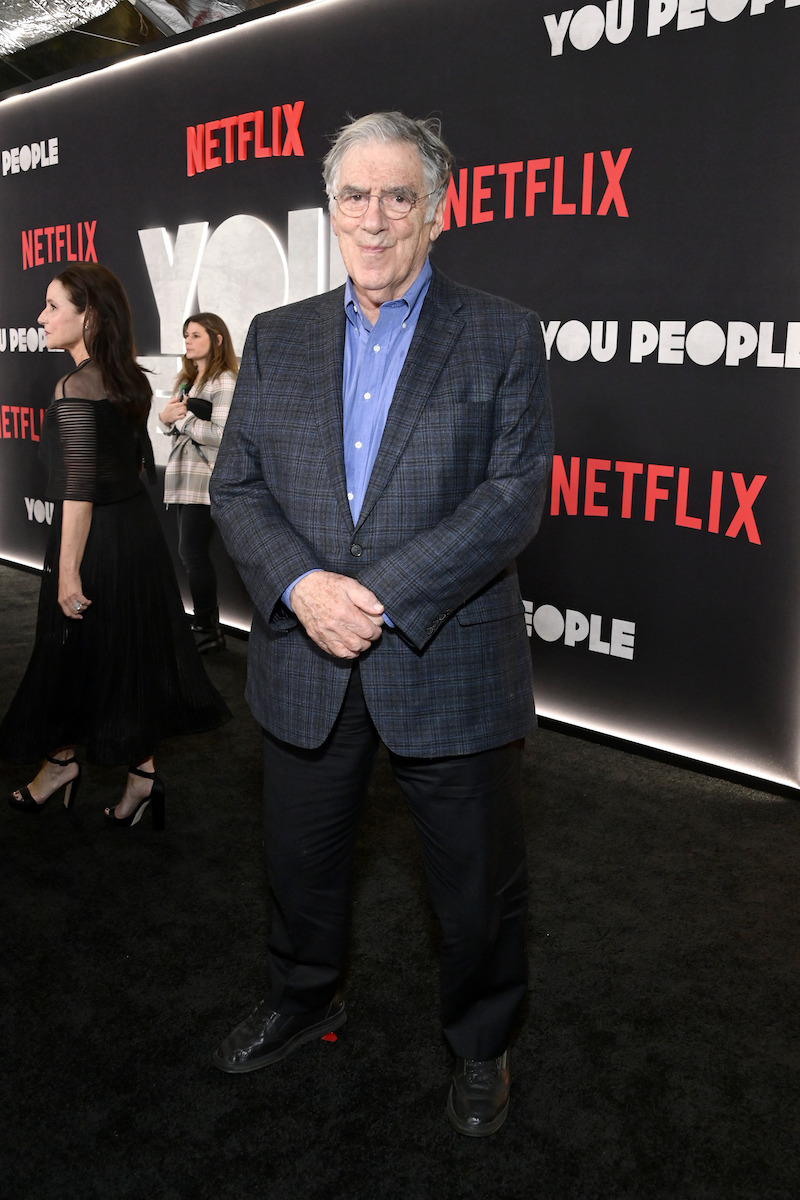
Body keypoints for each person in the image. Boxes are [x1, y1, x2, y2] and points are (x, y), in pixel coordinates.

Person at [209, 111, 553, 1136]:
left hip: (447, 660)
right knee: (299, 862)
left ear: (436, 212)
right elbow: (237, 487)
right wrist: (304, 588)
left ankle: (482, 1044)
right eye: (353, 195)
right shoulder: (276, 336)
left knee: (473, 884)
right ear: (329, 209)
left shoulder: (500, 333)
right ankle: (304, 995)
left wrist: (381, 593)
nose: (373, 216)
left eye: (397, 195)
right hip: (301, 654)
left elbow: (510, 497)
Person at [0, 263, 230, 828]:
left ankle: (60, 765)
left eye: (53, 306)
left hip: (96, 540)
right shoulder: (131, 378)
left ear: (90, 316)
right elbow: (127, 467)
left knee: (69, 654)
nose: (41, 316)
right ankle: (139, 776)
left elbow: (77, 492)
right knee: (124, 656)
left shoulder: (74, 385)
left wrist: (69, 571)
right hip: (137, 537)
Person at [158, 312, 238, 654]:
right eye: (185, 335)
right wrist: (164, 421)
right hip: (183, 479)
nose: (188, 341)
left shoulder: (224, 381)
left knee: (192, 552)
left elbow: (223, 435)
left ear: (217, 339)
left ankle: (208, 628)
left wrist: (183, 422)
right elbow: (169, 426)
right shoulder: (186, 381)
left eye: (195, 335)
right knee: (188, 552)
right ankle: (206, 625)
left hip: (207, 480)